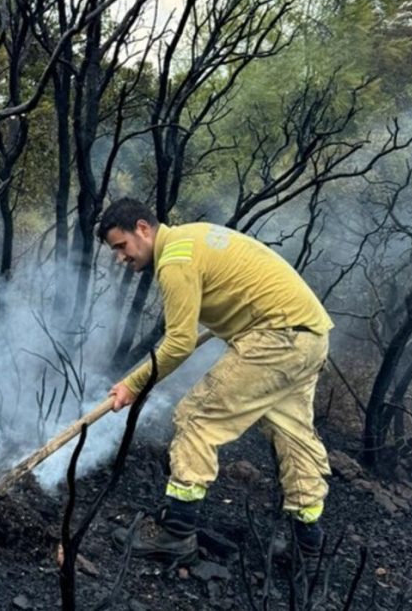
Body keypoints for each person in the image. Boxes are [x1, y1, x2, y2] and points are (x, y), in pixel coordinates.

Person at [98, 197, 333, 563]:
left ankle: (176, 533)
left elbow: (179, 342)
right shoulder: (191, 239)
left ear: (142, 229)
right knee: (293, 435)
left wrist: (133, 384)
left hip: (276, 337)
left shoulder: (175, 259)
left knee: (195, 419)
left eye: (121, 246)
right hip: (309, 337)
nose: (120, 258)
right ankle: (308, 542)